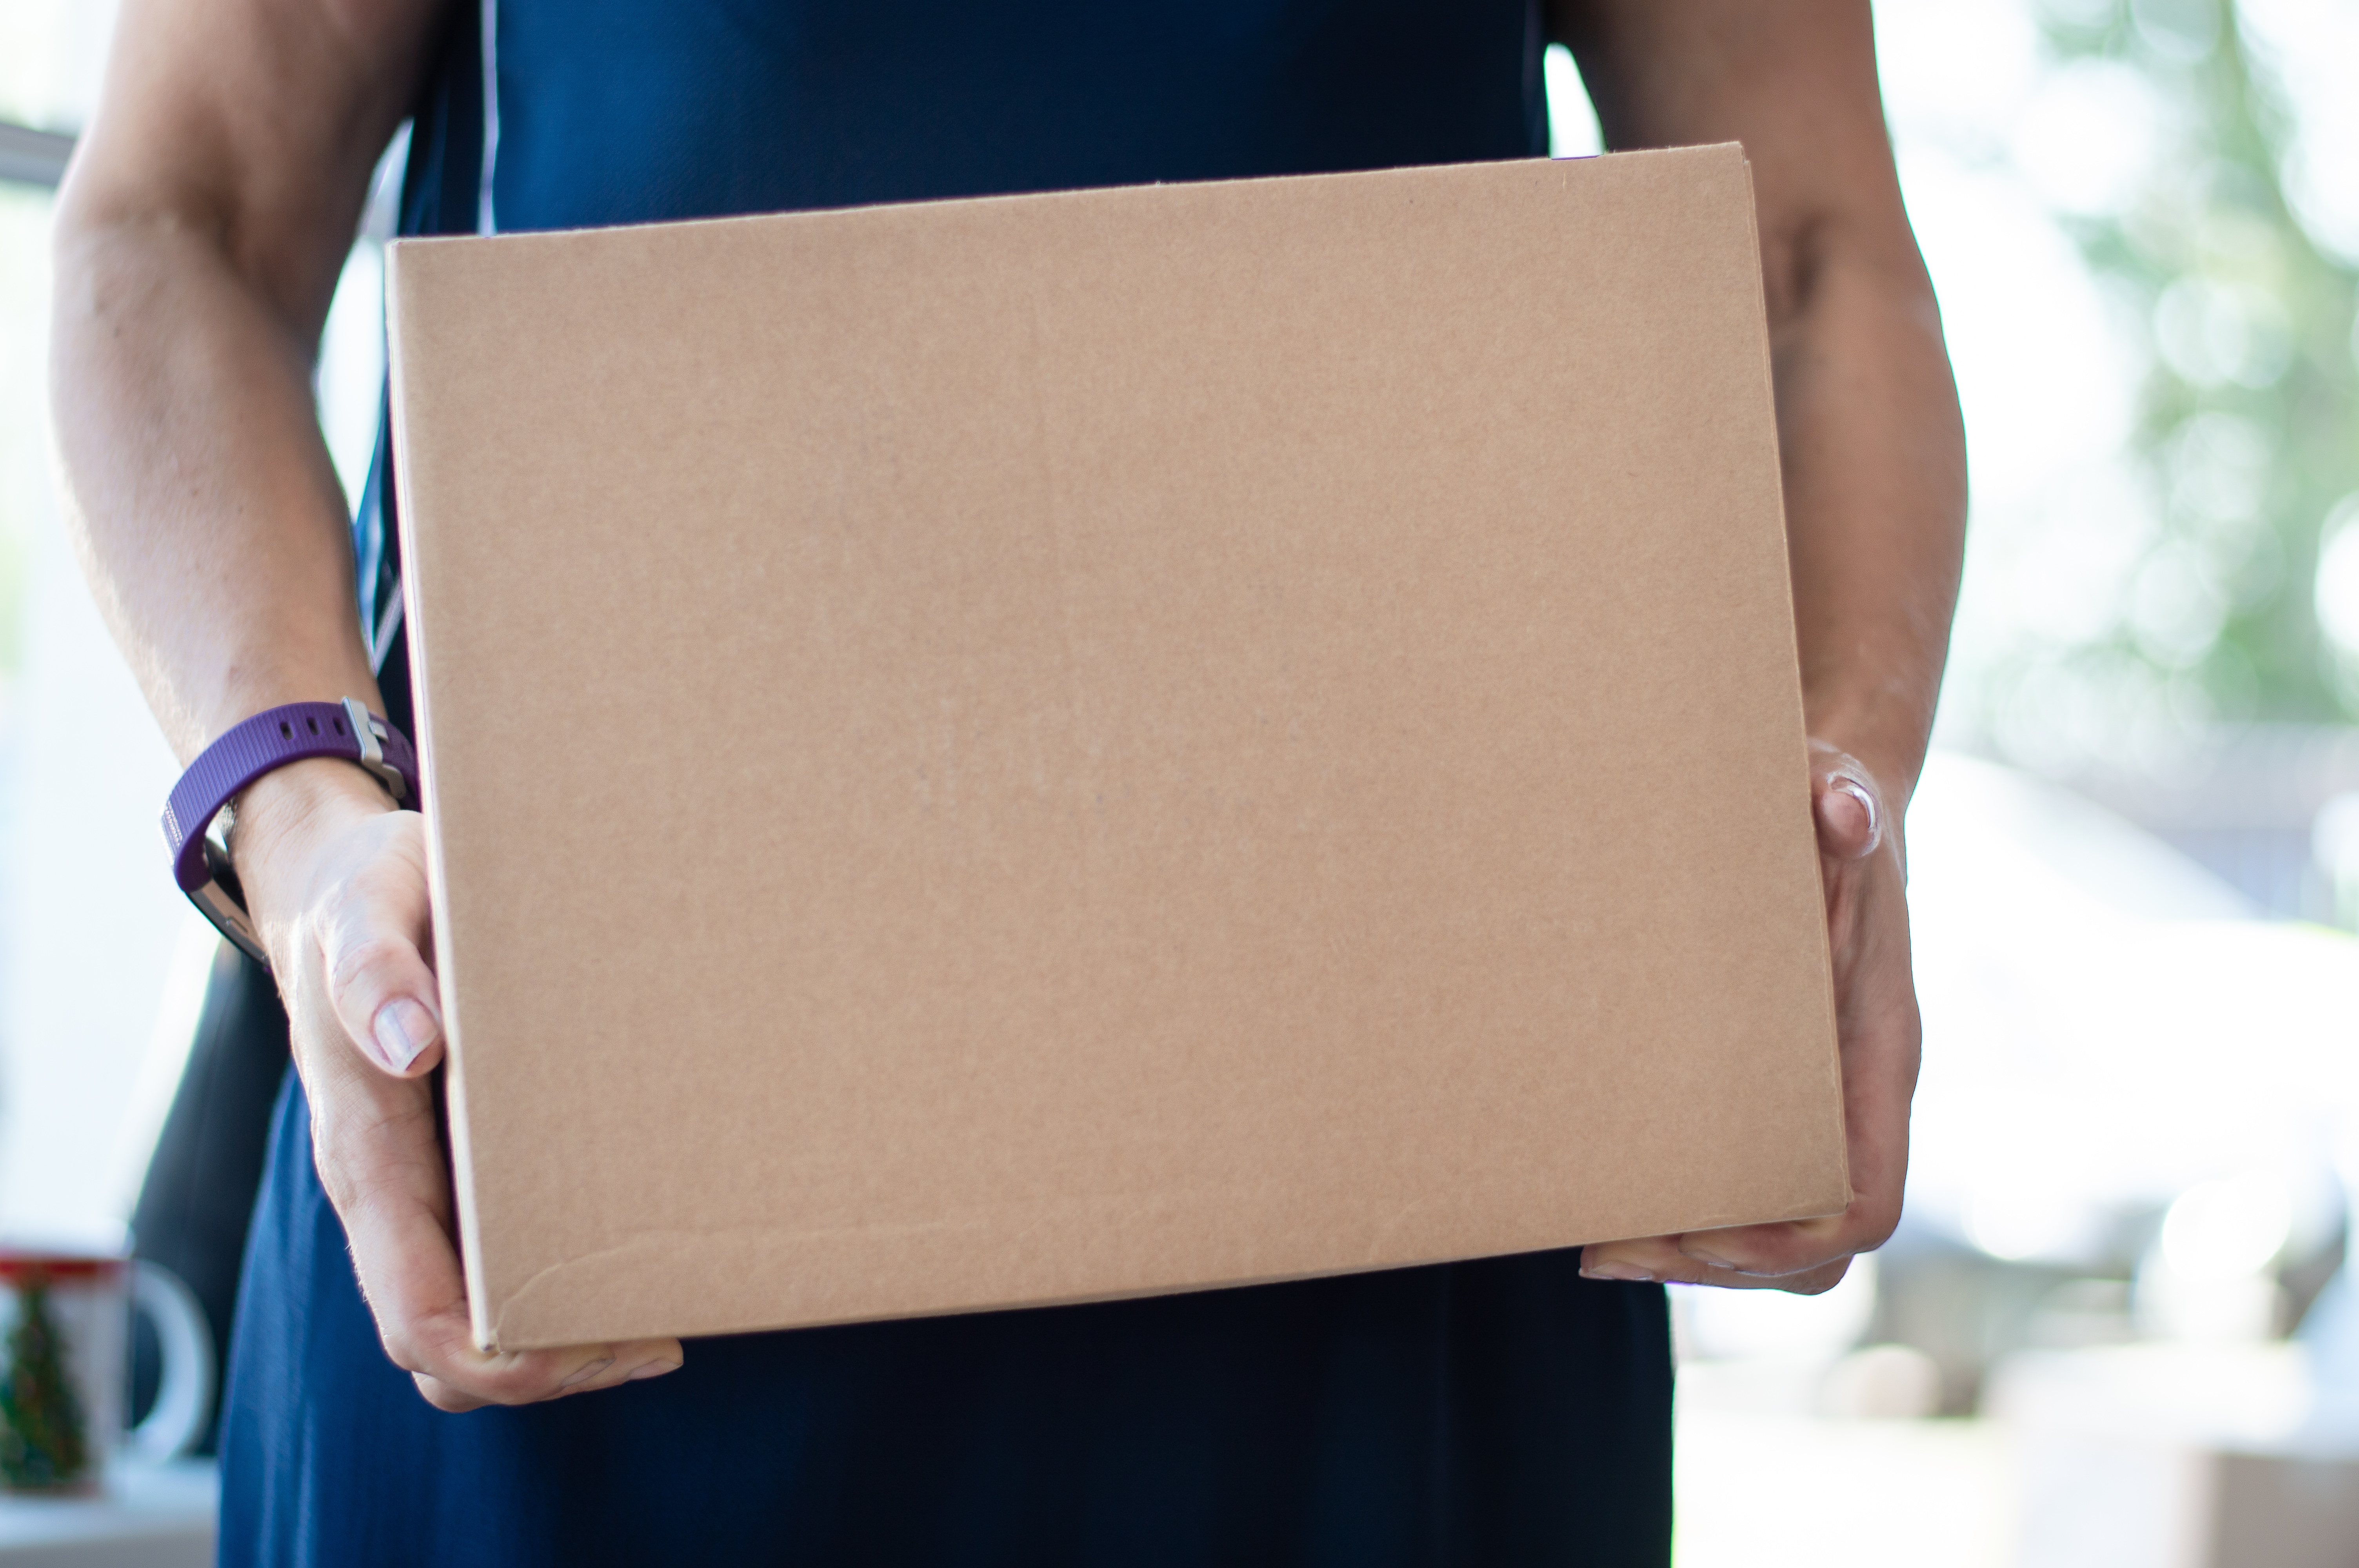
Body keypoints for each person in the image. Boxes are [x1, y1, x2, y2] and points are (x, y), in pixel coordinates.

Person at [51, 0, 1964, 1561]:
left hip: (1401, 1230)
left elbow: (1807, 251)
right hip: (582, 1202)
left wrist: (1832, 779)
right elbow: (181, 220)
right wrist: (295, 821)